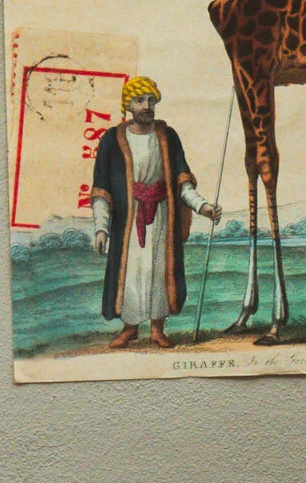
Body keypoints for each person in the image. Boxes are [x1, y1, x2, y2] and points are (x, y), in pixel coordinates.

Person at [89, 76, 214, 348]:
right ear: (128, 106)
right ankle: (131, 327)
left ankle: (157, 328)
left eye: (151, 100)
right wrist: (100, 228)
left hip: (162, 218)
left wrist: (201, 205)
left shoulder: (168, 136)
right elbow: (102, 189)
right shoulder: (111, 139)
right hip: (128, 221)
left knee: (159, 271)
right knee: (132, 272)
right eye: (139, 100)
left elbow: (182, 180)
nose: (147, 106)